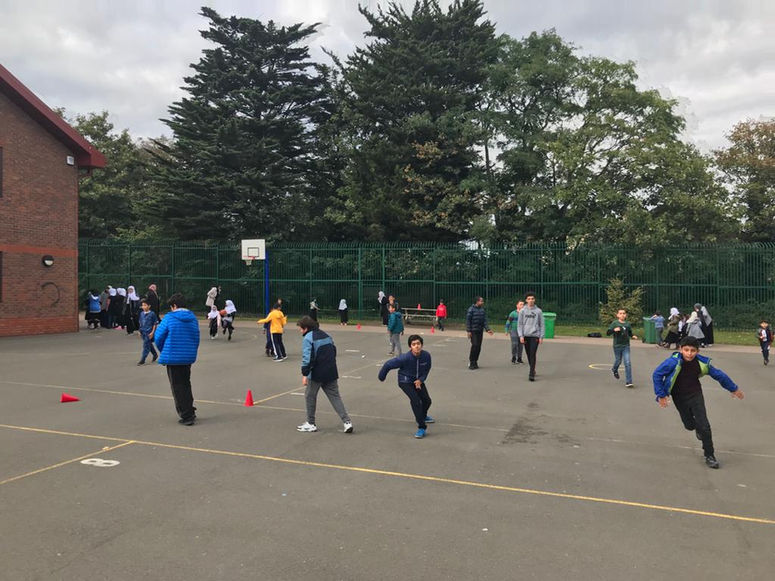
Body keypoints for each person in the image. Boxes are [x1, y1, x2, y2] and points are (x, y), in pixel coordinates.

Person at [652, 336, 744, 469]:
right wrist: (661, 395)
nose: (689, 353)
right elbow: (657, 374)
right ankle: (697, 428)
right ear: (681, 349)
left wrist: (733, 388)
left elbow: (719, 375)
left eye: (693, 351)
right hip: (679, 397)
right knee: (689, 425)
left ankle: (709, 455)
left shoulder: (702, 363)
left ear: (697, 351)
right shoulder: (672, 362)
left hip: (695, 395)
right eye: (686, 350)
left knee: (705, 426)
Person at [295, 316, 353, 434]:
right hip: (331, 371)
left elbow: (307, 358)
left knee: (310, 396)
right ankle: (347, 422)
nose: (300, 331)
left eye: (300, 329)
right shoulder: (326, 335)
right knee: (335, 397)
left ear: (306, 328)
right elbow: (333, 351)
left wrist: (305, 374)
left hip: (317, 373)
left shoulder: (308, 338)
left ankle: (311, 423)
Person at [155, 293, 200, 425]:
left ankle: (186, 415)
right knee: (186, 384)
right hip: (187, 357)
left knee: (177, 387)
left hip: (173, 356)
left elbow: (158, 336)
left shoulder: (169, 318)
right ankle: (190, 409)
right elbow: (196, 338)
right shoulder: (193, 318)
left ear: (174, 306)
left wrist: (163, 350)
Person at [378, 334, 434, 439]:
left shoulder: (426, 356)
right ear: (410, 347)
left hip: (418, 381)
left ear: (421, 345)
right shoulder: (404, 358)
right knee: (416, 401)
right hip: (405, 381)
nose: (416, 346)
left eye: (418, 344)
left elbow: (426, 370)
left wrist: (421, 380)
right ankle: (421, 427)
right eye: (414, 344)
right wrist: (382, 377)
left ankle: (423, 415)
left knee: (427, 401)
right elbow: (388, 365)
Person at [607, 308, 638, 388]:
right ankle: (614, 369)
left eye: (624, 313)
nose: (622, 315)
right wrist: (614, 330)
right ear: (617, 315)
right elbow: (608, 333)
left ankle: (629, 381)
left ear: (626, 315)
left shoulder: (627, 324)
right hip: (617, 346)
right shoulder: (615, 323)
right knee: (618, 360)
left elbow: (629, 333)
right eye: (620, 313)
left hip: (626, 346)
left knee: (627, 362)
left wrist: (633, 336)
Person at [518, 293, 544, 381]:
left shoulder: (538, 311)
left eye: (532, 298)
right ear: (526, 300)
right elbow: (520, 324)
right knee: (528, 354)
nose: (531, 300)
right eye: (529, 299)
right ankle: (533, 368)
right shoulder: (522, 311)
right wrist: (521, 335)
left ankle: (531, 373)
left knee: (533, 353)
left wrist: (541, 336)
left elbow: (542, 325)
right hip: (526, 335)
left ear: (534, 300)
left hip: (535, 335)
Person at [466, 296, 493, 370]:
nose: (482, 302)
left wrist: (488, 329)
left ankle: (475, 361)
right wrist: (468, 331)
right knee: (474, 345)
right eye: (481, 301)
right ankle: (471, 361)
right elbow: (468, 321)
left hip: (480, 331)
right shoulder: (471, 309)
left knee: (478, 347)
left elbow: (484, 321)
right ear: (477, 301)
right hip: (473, 331)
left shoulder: (482, 310)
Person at [137, 298, 159, 365]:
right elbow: (140, 323)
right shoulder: (141, 314)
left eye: (145, 305)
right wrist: (139, 330)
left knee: (146, 346)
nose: (143, 307)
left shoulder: (152, 314)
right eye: (142, 305)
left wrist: (152, 332)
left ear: (149, 306)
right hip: (143, 332)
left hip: (149, 332)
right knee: (148, 344)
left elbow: (155, 324)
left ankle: (143, 359)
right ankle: (155, 354)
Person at [505, 300, 525, 364]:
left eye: (523, 304)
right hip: (514, 330)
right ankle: (514, 357)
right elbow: (508, 321)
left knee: (521, 345)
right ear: (517, 305)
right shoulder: (513, 313)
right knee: (514, 344)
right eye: (520, 304)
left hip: (522, 331)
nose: (522, 306)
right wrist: (506, 330)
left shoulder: (525, 313)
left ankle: (519, 358)